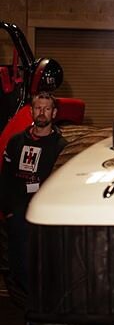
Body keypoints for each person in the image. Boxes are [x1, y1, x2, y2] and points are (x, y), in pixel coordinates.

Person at [0, 92, 67, 293]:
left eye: (47, 109)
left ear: (54, 113)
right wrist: (8, 209)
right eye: (38, 108)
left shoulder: (60, 146)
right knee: (18, 258)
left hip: (43, 208)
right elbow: (5, 178)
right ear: (31, 111)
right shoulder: (16, 141)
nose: (42, 113)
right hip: (18, 209)